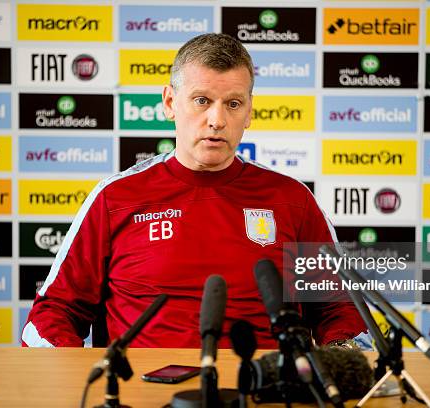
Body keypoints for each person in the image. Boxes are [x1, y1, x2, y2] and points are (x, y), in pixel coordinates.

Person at [22, 33, 367, 348]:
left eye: (233, 104)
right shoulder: (115, 198)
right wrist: (81, 384)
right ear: (170, 102)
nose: (217, 119)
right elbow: (53, 313)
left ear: (249, 111)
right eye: (202, 100)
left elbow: (340, 309)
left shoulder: (293, 200)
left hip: (266, 390)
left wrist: (340, 357)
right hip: (144, 395)